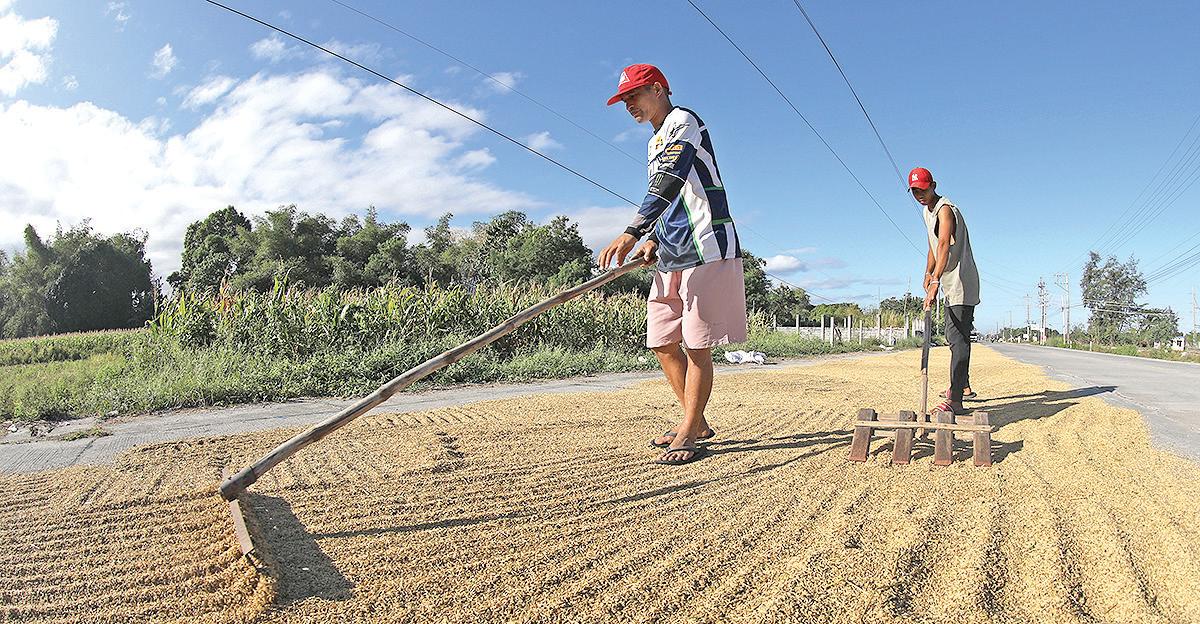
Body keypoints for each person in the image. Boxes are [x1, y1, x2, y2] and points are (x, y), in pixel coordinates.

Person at [598, 64, 747, 465]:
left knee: (697, 345)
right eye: (624, 99)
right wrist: (652, 238)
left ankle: (689, 430)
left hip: (707, 247)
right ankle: (694, 421)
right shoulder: (653, 141)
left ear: (660, 89)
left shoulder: (685, 121)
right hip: (672, 252)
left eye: (635, 95)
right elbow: (668, 199)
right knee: (663, 339)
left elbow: (672, 179)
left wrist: (632, 230)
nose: (629, 104)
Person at [909, 166, 980, 414]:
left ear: (934, 186)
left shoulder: (945, 210)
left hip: (959, 280)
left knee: (958, 338)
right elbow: (932, 246)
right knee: (954, 337)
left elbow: (943, 245)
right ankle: (962, 387)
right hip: (947, 279)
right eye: (915, 191)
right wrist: (928, 273)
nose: (920, 195)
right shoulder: (928, 212)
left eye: (923, 189)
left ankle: (956, 400)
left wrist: (936, 281)